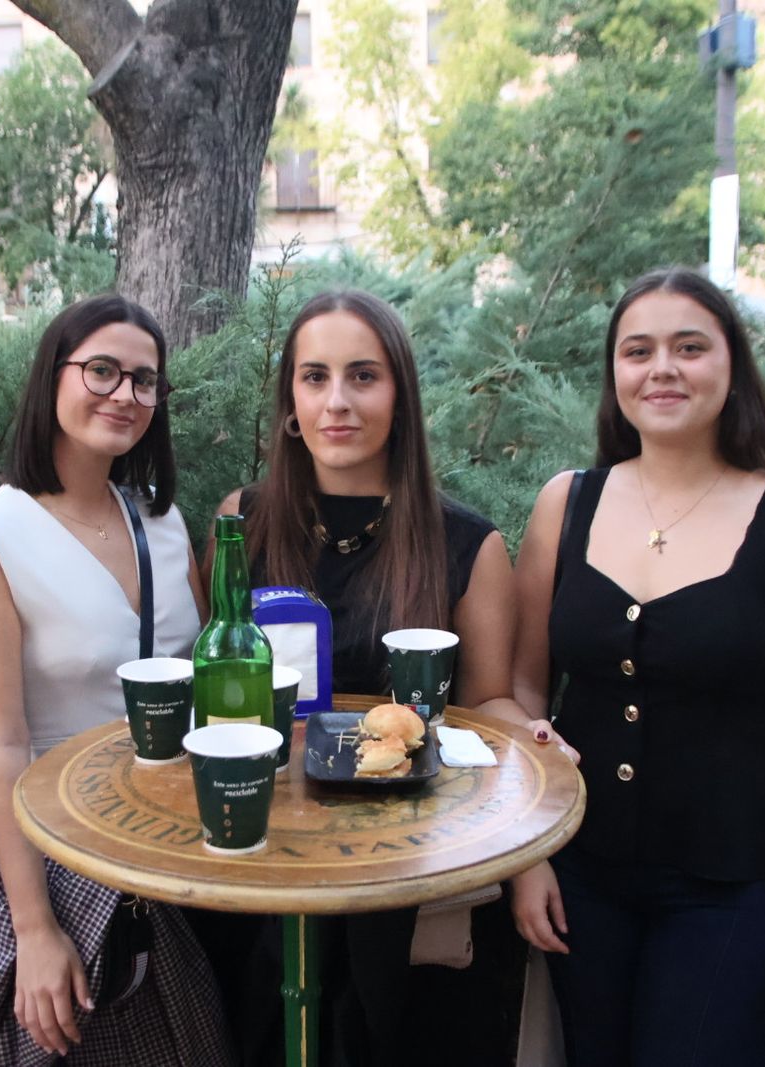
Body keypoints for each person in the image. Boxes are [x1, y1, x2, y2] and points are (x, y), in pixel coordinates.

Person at [197, 289, 567, 1067]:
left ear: (400, 396)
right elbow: (214, 683)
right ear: (290, 404)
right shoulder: (243, 523)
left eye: (363, 376)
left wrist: (534, 770)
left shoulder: (466, 543)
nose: (337, 400)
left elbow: (489, 701)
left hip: (409, 879)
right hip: (263, 872)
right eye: (315, 376)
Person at [508, 267, 765, 1065]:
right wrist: (528, 860)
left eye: (689, 347)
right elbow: (522, 691)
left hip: (731, 888)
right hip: (580, 877)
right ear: (615, 374)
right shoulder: (566, 504)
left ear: (732, 365)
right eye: (638, 351)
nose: (662, 368)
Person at [0, 295, 231, 1067]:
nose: (125, 394)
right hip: (66, 871)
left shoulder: (162, 522)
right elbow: (1, 746)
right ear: (51, 377)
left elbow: (202, 680)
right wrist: (34, 928)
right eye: (102, 371)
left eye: (145, 380)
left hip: (180, 862)